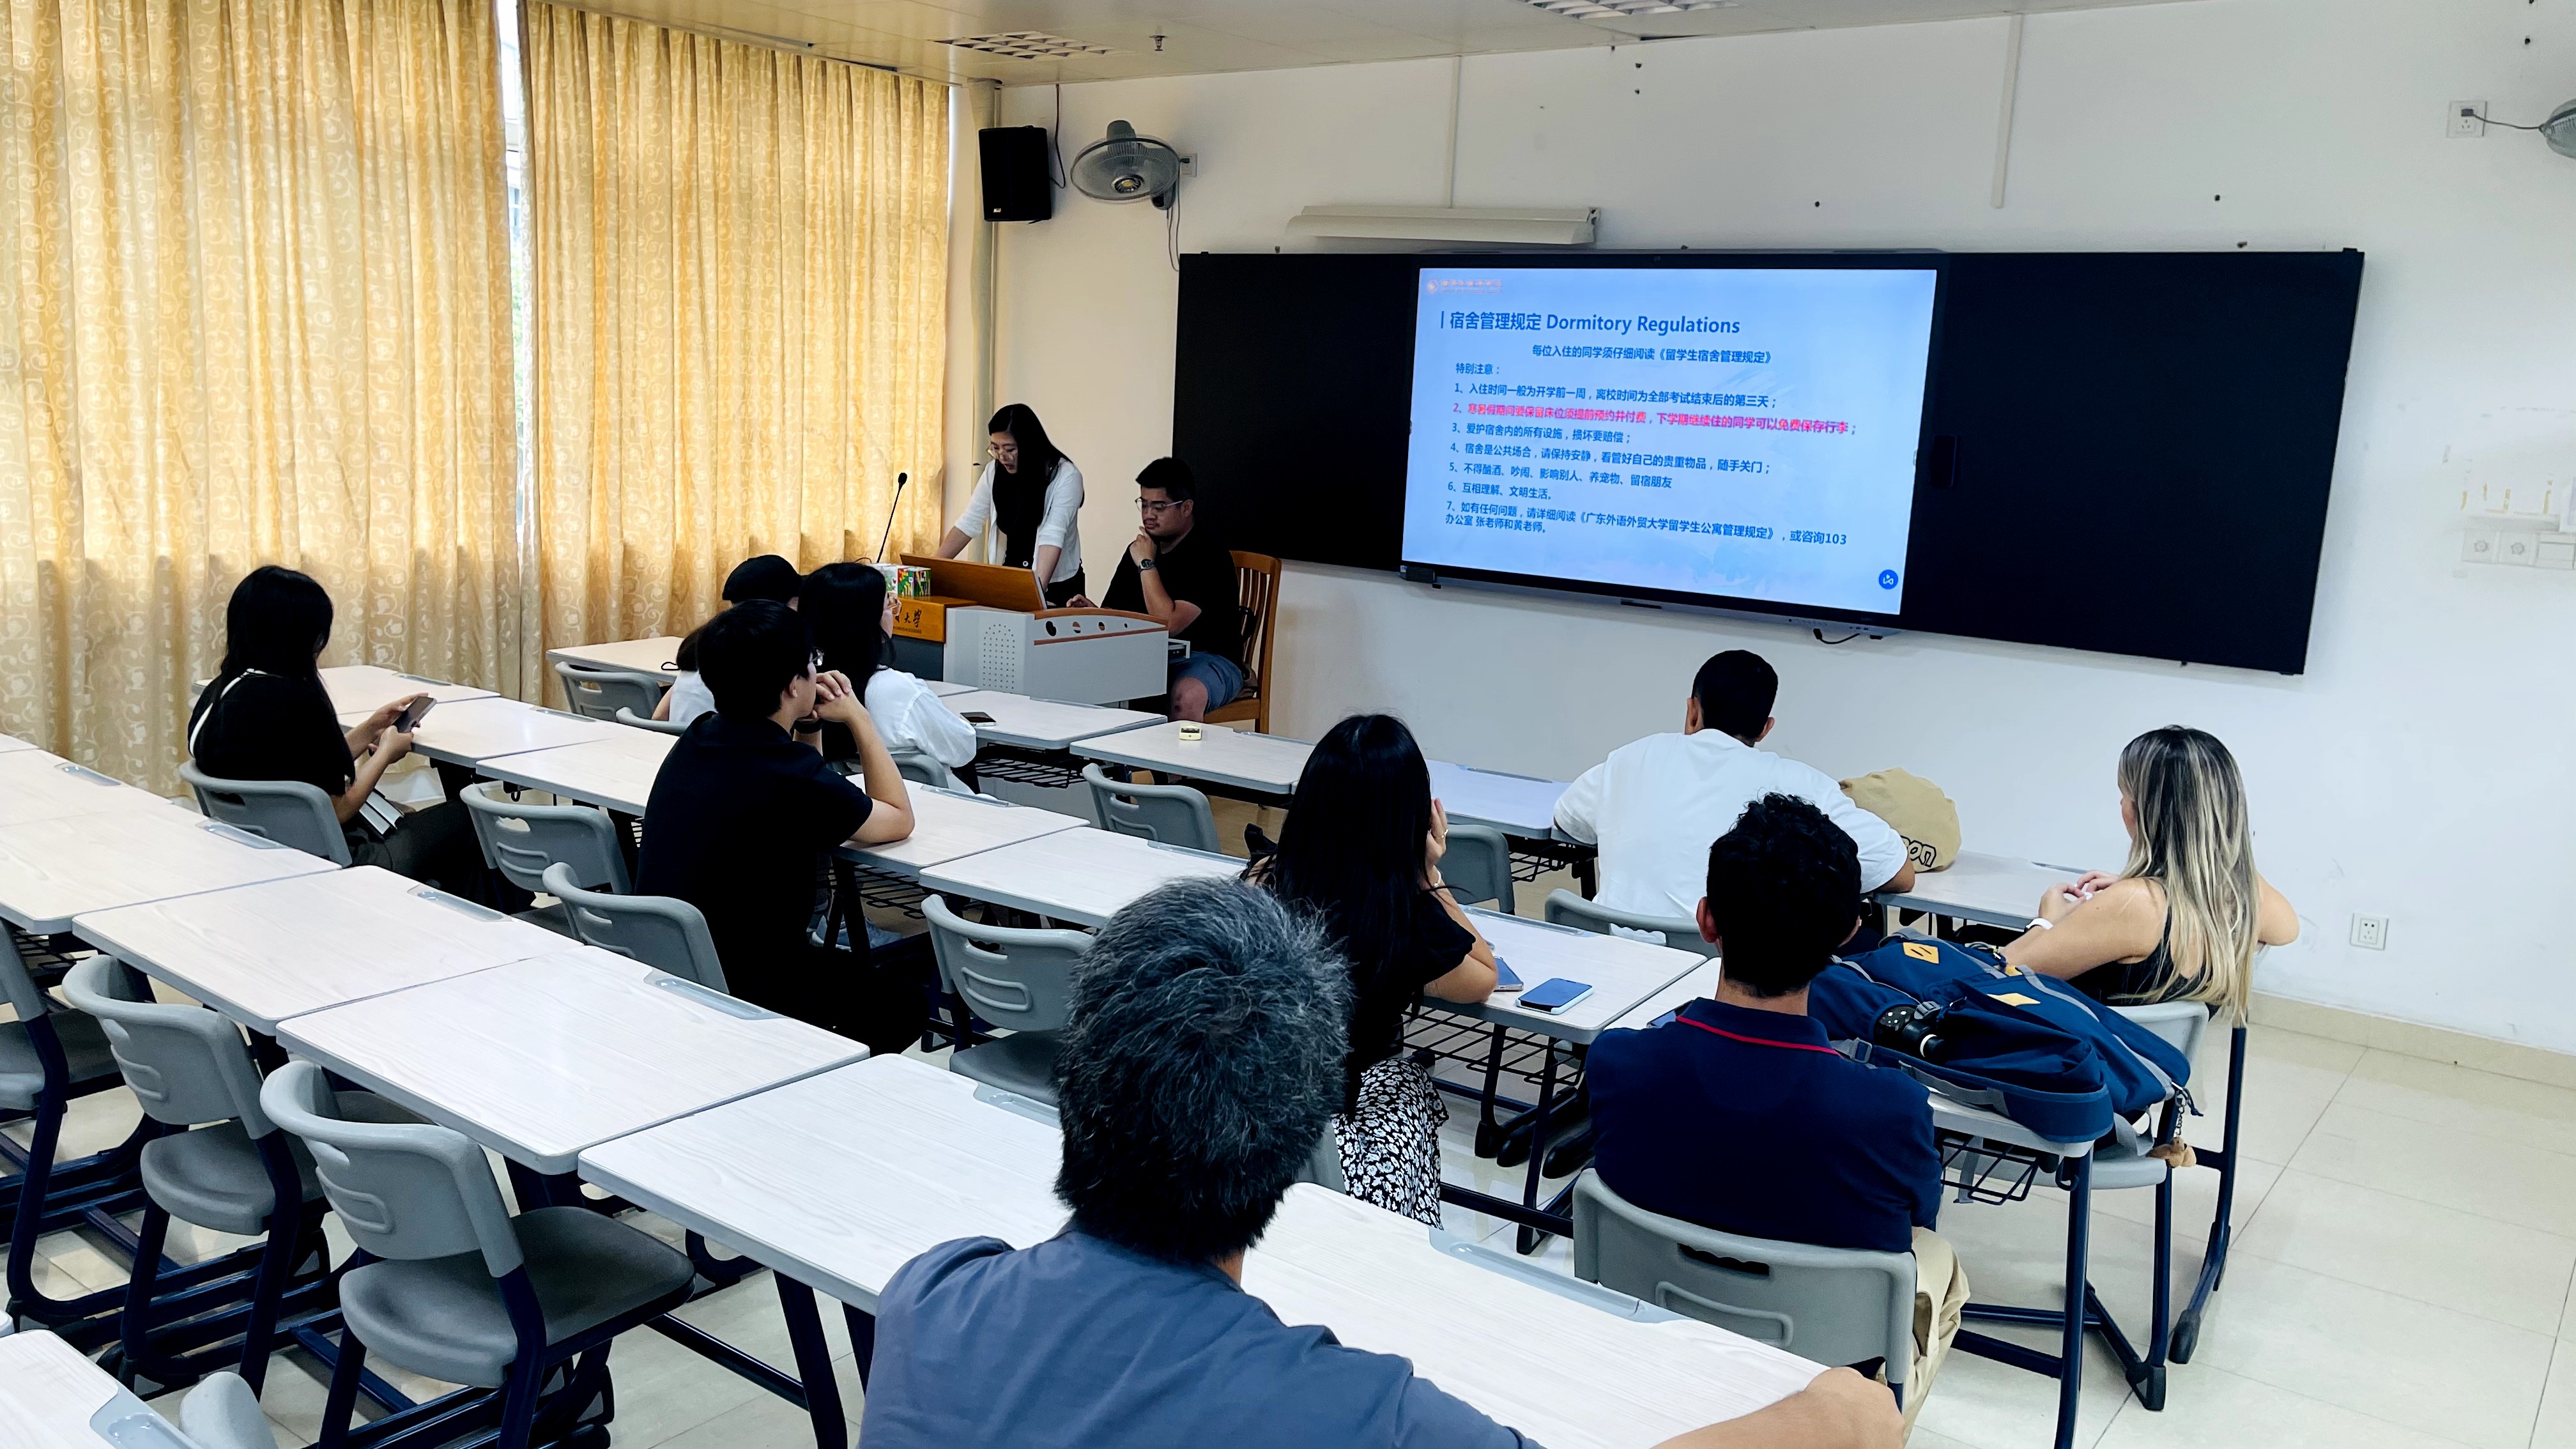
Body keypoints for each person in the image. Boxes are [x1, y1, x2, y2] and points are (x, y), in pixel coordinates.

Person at [861, 877, 1903, 1449]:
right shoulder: (1371, 1419)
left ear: (1075, 1079)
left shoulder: (930, 1297)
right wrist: (1840, 1416)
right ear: (1302, 1140)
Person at [1586, 793, 1967, 1438]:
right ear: (1845, 937)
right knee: (1941, 1263)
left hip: (1653, 1343)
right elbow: (1914, 1220)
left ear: (1707, 919)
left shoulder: (1618, 1062)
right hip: (1823, 1377)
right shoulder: (1890, 1108)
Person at [634, 600, 928, 1054]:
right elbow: (897, 818)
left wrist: (806, 723)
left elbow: (804, 783)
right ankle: (800, 1073)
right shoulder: (790, 775)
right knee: (903, 1003)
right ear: (793, 684)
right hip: (751, 978)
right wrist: (859, 717)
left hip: (674, 960)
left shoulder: (700, 735)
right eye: (813, 662)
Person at [1246, 714, 1496, 1226]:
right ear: (1412, 817)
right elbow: (1484, 975)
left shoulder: (1262, 880)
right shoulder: (1403, 919)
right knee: (1409, 1084)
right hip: (1336, 1144)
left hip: (1246, 1119)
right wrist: (1427, 874)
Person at [186, 566, 486, 891]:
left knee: (426, 829)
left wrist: (371, 728)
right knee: (471, 817)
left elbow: (299, 766)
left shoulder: (219, 694)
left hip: (264, 855)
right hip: (340, 860)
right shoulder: (298, 702)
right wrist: (384, 755)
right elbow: (338, 810)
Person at [1554, 650, 1914, 920]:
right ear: (1765, 729)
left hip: (1610, 962)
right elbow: (1898, 874)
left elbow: (1566, 819)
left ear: (1692, 711)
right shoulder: (1799, 784)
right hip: (1724, 975)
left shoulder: (1631, 757)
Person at [2000, 726, 2297, 1013]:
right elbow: (2287, 930)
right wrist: (2160, 886)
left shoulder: (2134, 904)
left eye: (2126, 794)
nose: (2122, 803)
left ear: (2147, 810)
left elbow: (2000, 976)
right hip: (2159, 1048)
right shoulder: (2240, 892)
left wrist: (2048, 921)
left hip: (2092, 1044)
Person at [1089, 457, 1242, 722]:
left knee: (1187, 695)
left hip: (1207, 658)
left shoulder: (1208, 554)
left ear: (1186, 507)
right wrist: (1092, 614)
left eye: (1159, 507)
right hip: (1151, 655)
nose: (1148, 515)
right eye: (1144, 504)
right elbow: (1117, 614)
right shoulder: (1141, 549)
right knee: (1089, 673)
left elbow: (1169, 624)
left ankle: (1181, 752)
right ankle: (1116, 751)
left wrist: (1146, 565)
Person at [799, 562, 978, 776]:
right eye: (889, 605)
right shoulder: (897, 689)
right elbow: (962, 749)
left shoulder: (799, 689)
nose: (893, 613)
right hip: (916, 795)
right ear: (867, 622)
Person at [938, 403, 1087, 607]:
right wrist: (930, 571)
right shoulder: (994, 472)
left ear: (1029, 445)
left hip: (1057, 585)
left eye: (1010, 449)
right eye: (995, 448)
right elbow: (968, 523)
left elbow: (1052, 535)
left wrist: (1035, 597)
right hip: (1013, 575)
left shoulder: (1066, 476)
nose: (1002, 457)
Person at [656, 554, 804, 726]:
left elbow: (659, 718)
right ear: (778, 610)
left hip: (687, 741)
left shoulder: (708, 644)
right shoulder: (758, 660)